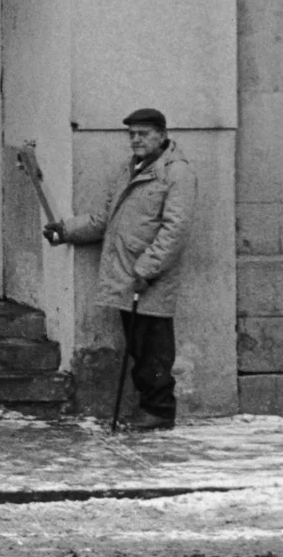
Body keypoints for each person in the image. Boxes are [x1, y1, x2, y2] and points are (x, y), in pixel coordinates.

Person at [44, 107, 199, 431]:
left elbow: (176, 230)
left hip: (149, 278)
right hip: (129, 274)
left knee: (154, 348)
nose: (136, 140)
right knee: (140, 346)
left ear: (161, 135)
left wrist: (147, 269)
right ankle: (150, 407)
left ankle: (159, 410)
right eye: (132, 135)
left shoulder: (177, 173)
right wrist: (66, 230)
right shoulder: (130, 170)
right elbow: (105, 219)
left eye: (143, 134)